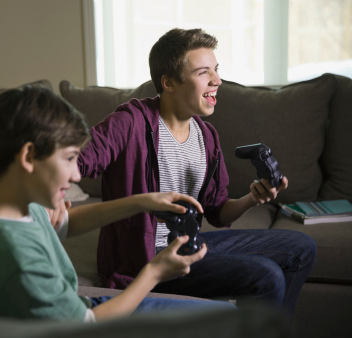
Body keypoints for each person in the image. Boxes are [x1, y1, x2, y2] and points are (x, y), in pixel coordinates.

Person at [77, 28, 316, 318]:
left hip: (189, 244)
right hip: (147, 258)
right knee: (266, 275)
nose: (217, 81)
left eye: (216, 70)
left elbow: (217, 212)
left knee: (301, 247)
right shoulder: (130, 122)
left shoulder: (206, 135)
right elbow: (77, 159)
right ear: (169, 83)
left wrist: (251, 198)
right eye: (204, 73)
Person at [0, 85, 235, 322]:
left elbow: (66, 223)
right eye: (68, 159)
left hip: (60, 314)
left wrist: (142, 201)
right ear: (28, 157)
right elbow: (87, 326)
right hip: (82, 322)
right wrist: (154, 272)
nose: (77, 174)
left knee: (224, 315)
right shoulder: (20, 258)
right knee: (224, 320)